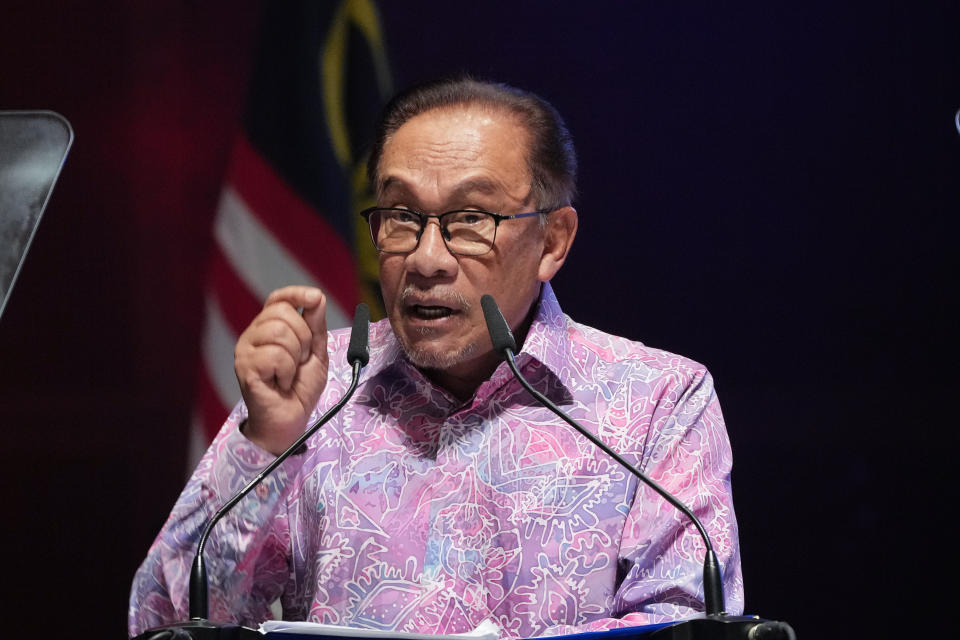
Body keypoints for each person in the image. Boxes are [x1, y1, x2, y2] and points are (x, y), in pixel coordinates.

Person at [129, 77, 743, 638]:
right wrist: (265, 442)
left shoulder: (657, 400)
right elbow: (166, 624)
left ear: (552, 241)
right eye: (401, 216)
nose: (426, 260)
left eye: (470, 218)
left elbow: (686, 625)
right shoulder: (315, 389)